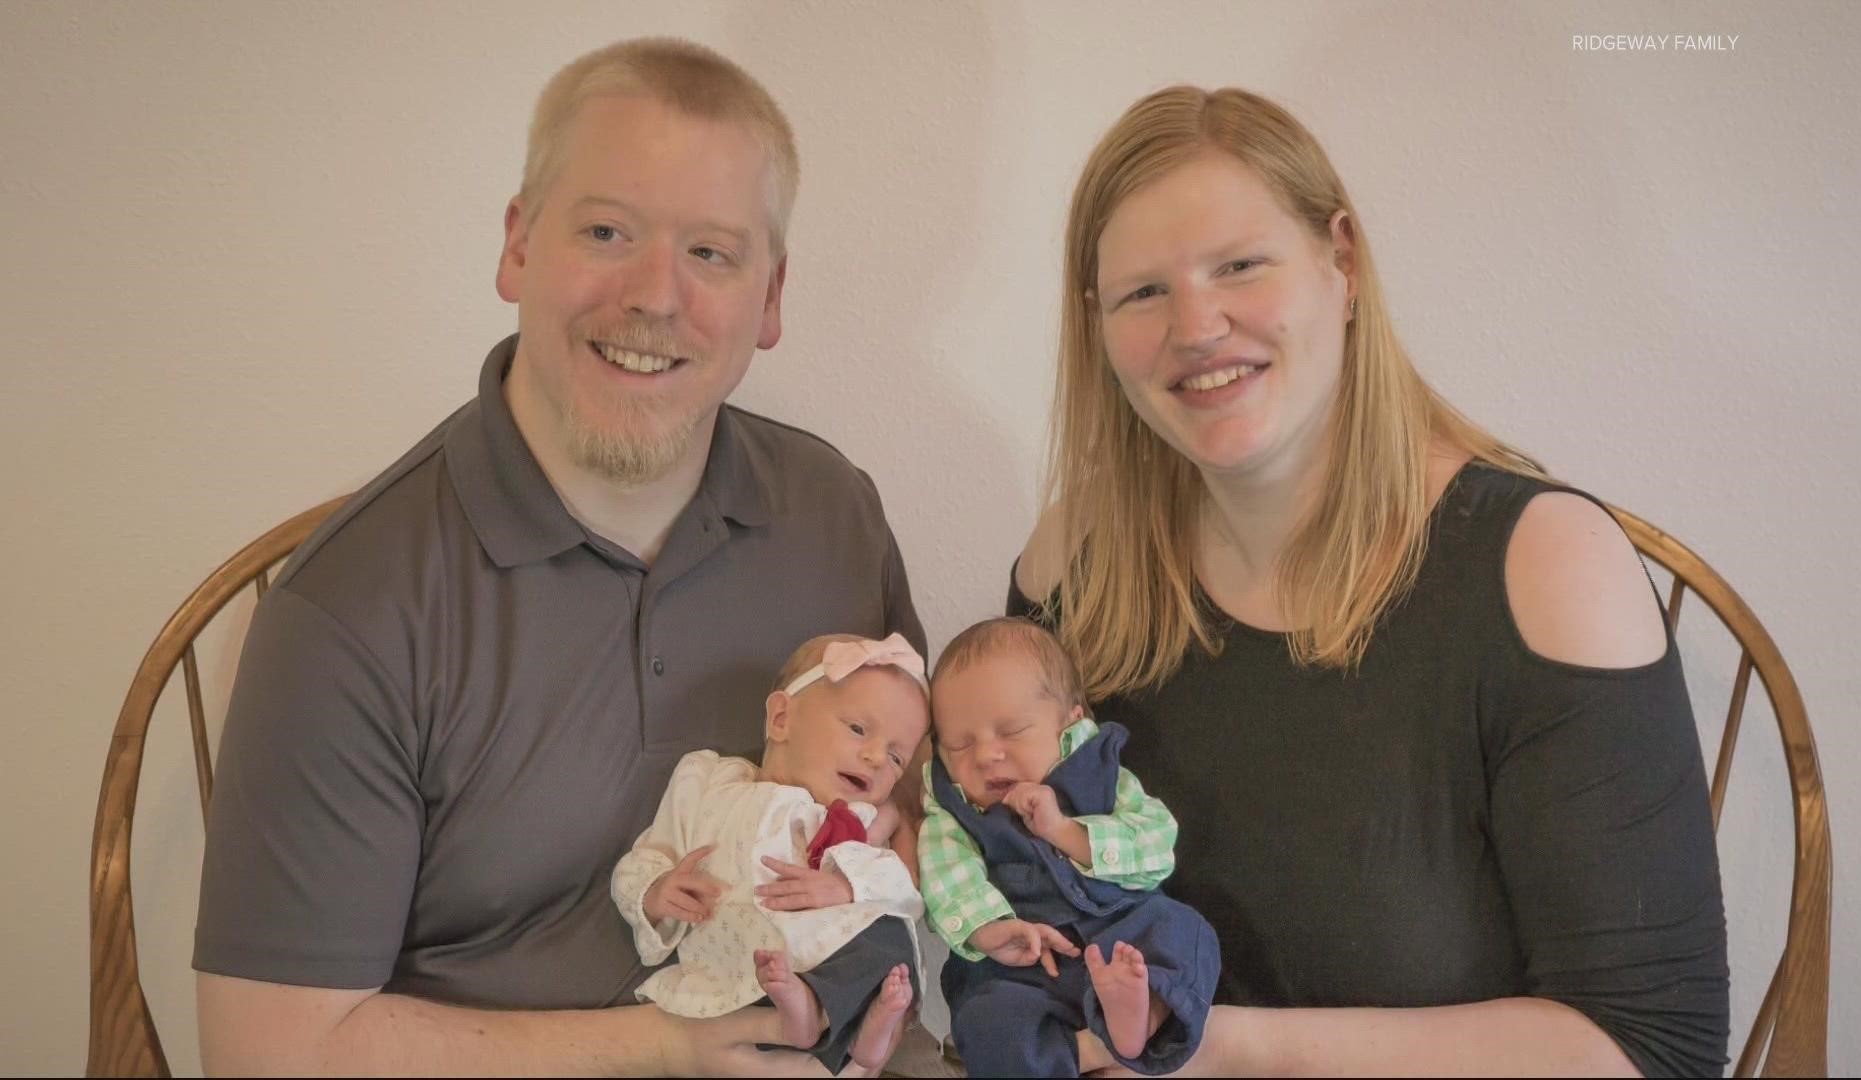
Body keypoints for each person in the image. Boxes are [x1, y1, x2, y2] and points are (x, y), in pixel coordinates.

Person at [193, 39, 924, 1075]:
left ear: (770, 298)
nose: (655, 296)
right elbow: (269, 1055)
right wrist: (673, 1049)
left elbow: (910, 822)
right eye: (607, 230)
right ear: (519, 246)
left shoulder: (833, 516)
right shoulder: (349, 607)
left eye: (710, 252)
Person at [1009, 86, 1729, 1077]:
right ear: (1097, 325)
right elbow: (1029, 917)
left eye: (1240, 267)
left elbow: (1652, 1049)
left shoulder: (1545, 567)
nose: (1197, 324)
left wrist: (1219, 1052)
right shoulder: (1074, 569)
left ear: (1341, 263)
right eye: (1143, 293)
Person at [611, 633, 929, 1074]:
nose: (877, 758)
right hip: (740, 965)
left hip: (826, 958)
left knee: (891, 937)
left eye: (897, 758)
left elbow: (901, 886)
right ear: (781, 718)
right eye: (858, 729)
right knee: (787, 974)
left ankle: (862, 1029)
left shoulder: (856, 820)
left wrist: (843, 886)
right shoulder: (708, 783)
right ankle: (804, 1015)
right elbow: (645, 857)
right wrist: (654, 891)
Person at [918, 617, 1219, 1077]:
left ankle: (1140, 1014)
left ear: (1070, 723)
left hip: (1124, 935)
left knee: (1187, 932)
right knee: (982, 1022)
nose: (984, 755)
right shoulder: (951, 808)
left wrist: (1065, 831)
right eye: (959, 744)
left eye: (1012, 731)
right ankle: (1092, 1051)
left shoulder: (1098, 769)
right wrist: (987, 929)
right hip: (1023, 967)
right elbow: (944, 875)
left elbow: (1157, 847)